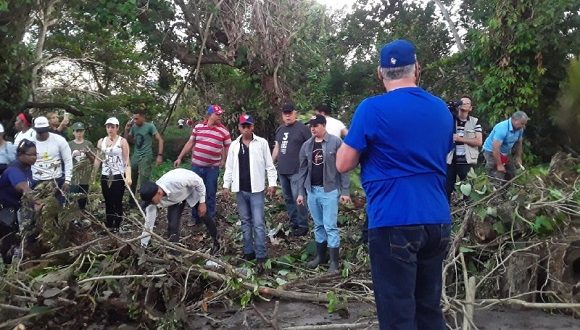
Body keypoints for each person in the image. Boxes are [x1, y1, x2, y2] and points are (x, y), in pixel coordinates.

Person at [336, 39, 453, 330]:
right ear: (417, 68)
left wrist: (350, 138)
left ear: (380, 73)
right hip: (436, 219)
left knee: (398, 315)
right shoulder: (441, 109)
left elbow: (343, 163)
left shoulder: (371, 109)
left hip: (393, 220)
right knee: (428, 309)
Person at [296, 114, 351, 273]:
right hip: (312, 190)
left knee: (330, 226)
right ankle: (321, 257)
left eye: (316, 125)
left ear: (323, 125)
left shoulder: (335, 142)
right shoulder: (307, 145)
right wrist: (301, 192)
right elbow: (302, 170)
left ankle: (334, 263)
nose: (312, 128)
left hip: (329, 190)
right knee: (318, 225)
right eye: (311, 126)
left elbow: (343, 168)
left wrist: (345, 191)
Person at [222, 114, 277, 265]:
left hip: (257, 189)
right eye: (243, 126)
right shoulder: (234, 145)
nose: (246, 129)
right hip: (240, 189)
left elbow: (269, 166)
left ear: (253, 127)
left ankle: (261, 254)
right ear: (239, 127)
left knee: (258, 223)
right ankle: (248, 251)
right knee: (245, 222)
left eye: (248, 126)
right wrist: (226, 185)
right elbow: (229, 167)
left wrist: (272, 183)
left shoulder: (261, 143)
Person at [174, 105, 231, 227]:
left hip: (212, 168)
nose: (220, 116)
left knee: (210, 192)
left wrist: (226, 162)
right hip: (196, 167)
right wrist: (180, 157)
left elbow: (228, 148)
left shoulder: (224, 131)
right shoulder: (198, 128)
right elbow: (190, 143)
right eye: (218, 114)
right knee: (194, 192)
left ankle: (209, 218)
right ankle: (195, 217)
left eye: (221, 114)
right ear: (210, 115)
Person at [139, 168, 219, 254]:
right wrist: (143, 247)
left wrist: (202, 202)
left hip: (192, 190)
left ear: (159, 193)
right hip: (176, 199)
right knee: (173, 225)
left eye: (151, 201)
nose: (151, 203)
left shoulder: (177, 181)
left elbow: (198, 181)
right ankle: (175, 254)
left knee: (204, 215)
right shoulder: (152, 203)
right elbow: (148, 225)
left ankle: (216, 241)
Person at [272, 102, 311, 237]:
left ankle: (302, 225)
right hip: (283, 170)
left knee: (298, 197)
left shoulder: (303, 129)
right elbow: (277, 148)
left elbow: (310, 147)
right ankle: (294, 222)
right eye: (285, 113)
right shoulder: (280, 130)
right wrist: (271, 163)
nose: (288, 116)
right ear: (282, 115)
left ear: (295, 113)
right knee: (288, 198)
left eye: (290, 113)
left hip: (297, 171)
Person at [0, 139, 36, 264]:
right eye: (31, 155)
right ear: (21, 155)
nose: (34, 157)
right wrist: (38, 203)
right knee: (8, 242)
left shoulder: (28, 168)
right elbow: (24, 188)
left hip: (19, 209)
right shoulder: (14, 169)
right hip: (6, 211)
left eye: (36, 154)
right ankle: (7, 270)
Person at [94, 117, 131, 232]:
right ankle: (109, 224)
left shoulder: (122, 141)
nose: (110, 129)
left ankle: (117, 224)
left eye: (112, 127)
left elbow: (126, 160)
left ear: (117, 128)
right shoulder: (101, 141)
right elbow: (98, 158)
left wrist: (128, 176)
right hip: (106, 175)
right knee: (108, 200)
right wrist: (93, 174)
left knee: (117, 200)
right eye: (108, 127)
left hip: (118, 175)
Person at [446, 96, 482, 200]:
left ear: (471, 108)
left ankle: (468, 212)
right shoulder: (450, 120)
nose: (464, 103)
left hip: (466, 160)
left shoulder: (475, 122)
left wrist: (460, 139)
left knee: (469, 189)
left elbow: (478, 141)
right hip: (450, 160)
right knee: (447, 188)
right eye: (462, 102)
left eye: (467, 103)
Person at [31, 116, 73, 205]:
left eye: (43, 131)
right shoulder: (30, 141)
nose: (41, 134)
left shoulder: (59, 140)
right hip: (37, 181)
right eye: (39, 131)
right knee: (39, 210)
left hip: (56, 180)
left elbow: (68, 160)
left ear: (48, 128)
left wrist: (67, 180)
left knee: (56, 209)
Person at [124, 109, 164, 196]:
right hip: (135, 155)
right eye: (134, 119)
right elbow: (127, 140)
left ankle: (145, 201)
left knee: (144, 180)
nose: (135, 121)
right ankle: (132, 201)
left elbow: (160, 140)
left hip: (146, 156)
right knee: (131, 179)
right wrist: (126, 130)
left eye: (137, 119)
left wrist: (159, 155)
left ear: (142, 117)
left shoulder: (150, 126)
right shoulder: (134, 127)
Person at [482, 111, 529, 181]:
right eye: (522, 124)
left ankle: (507, 190)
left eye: (524, 124)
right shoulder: (502, 128)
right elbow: (495, 148)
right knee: (497, 175)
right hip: (491, 151)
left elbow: (519, 143)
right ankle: (495, 189)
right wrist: (499, 164)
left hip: (505, 152)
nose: (523, 126)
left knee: (512, 173)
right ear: (515, 120)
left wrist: (518, 156)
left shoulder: (520, 129)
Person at [68, 122, 95, 210]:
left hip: (85, 177)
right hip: (73, 177)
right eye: (77, 131)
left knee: (82, 200)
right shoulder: (69, 144)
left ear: (84, 132)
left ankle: (81, 216)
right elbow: (66, 160)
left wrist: (87, 153)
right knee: (72, 199)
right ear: (73, 132)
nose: (79, 133)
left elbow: (94, 161)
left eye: (81, 131)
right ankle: (72, 219)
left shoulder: (88, 144)